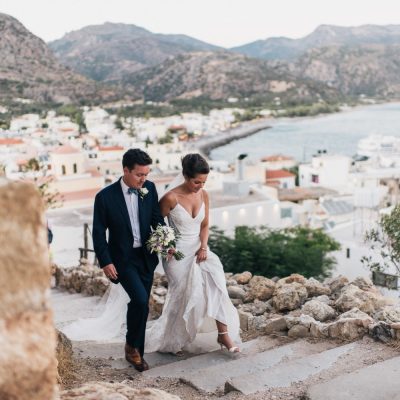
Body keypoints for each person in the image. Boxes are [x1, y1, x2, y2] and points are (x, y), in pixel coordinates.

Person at [145, 153, 241, 354]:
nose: (201, 186)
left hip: (200, 249)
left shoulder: (204, 195)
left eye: (204, 182)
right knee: (181, 296)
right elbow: (154, 225)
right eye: (197, 181)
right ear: (186, 176)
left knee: (217, 285)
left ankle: (223, 335)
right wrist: (165, 245)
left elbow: (205, 225)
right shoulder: (170, 198)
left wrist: (204, 246)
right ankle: (172, 339)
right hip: (176, 255)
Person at [92, 148, 164, 372]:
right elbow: (97, 232)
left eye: (146, 174)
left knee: (141, 305)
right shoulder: (104, 197)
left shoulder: (149, 189)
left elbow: (156, 219)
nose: (144, 179)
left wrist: (166, 242)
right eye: (139, 175)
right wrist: (106, 261)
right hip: (122, 259)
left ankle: (136, 353)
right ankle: (132, 347)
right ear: (125, 170)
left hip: (146, 256)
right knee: (141, 301)